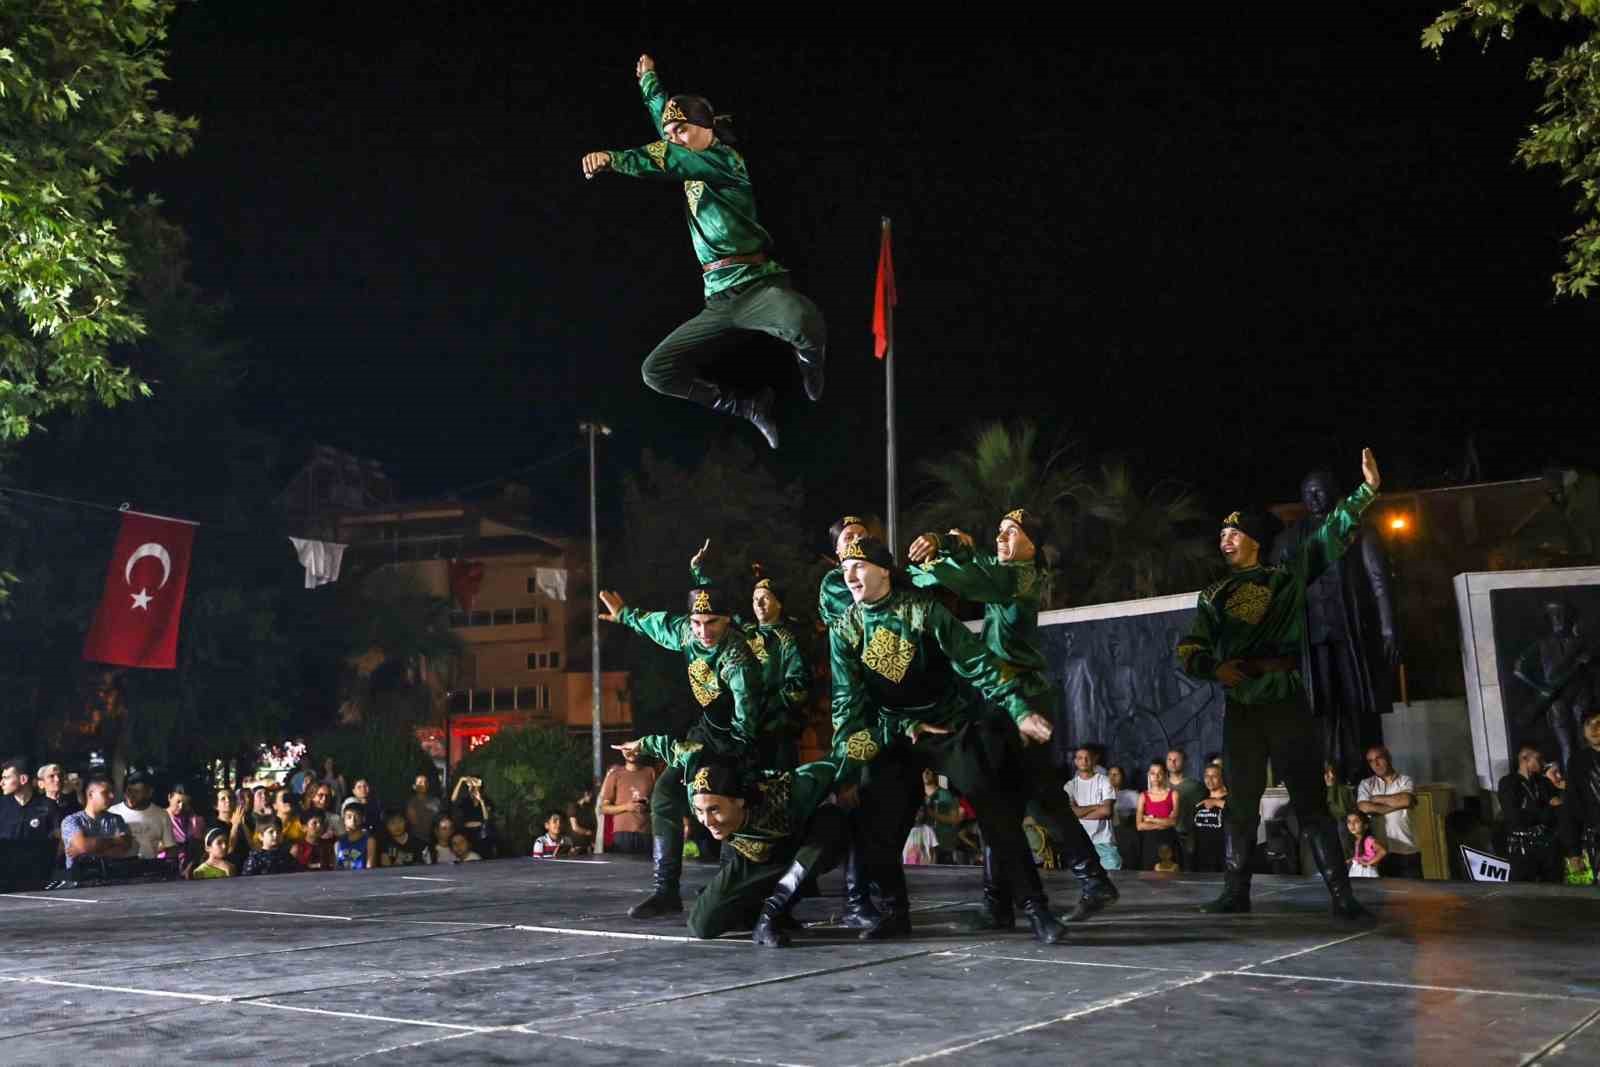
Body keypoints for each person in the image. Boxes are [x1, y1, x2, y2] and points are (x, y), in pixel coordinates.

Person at [829, 536, 1072, 943]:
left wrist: (1019, 710)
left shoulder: (924, 612)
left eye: (859, 565)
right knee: (876, 816)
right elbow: (845, 705)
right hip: (894, 733)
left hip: (947, 726)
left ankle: (1037, 909)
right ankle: (894, 913)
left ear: (884, 570)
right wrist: (847, 768)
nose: (850, 574)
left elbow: (978, 663)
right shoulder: (845, 630)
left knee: (994, 808)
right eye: (845, 568)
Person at [581, 53, 827, 449]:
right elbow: (666, 119)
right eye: (671, 132)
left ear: (706, 127)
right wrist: (649, 81)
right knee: (656, 372)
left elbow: (666, 156)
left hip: (755, 287)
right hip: (717, 299)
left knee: (803, 320)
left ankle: (810, 362)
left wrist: (613, 159)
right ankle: (746, 408)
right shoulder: (686, 144)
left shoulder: (723, 161)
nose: (675, 138)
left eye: (682, 130)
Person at [1177, 448, 1383, 920]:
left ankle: (1342, 895)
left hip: (1286, 700)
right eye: (1221, 534)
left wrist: (1365, 492)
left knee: (1311, 802)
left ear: (1253, 540)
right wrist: (1214, 668)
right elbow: (1190, 648)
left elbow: (1330, 536)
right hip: (1242, 707)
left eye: (1233, 533)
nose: (1224, 540)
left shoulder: (1285, 578)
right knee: (1241, 805)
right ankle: (1235, 892)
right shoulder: (1212, 596)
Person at [907, 507, 1119, 926]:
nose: (1001, 538)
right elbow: (964, 567)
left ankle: (1082, 883)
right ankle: (1006, 901)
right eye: (999, 531)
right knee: (1000, 798)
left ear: (1033, 545)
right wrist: (947, 548)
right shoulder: (1003, 572)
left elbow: (960, 577)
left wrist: (932, 559)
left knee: (1032, 796)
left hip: (1022, 699)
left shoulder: (1020, 577)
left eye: (1012, 532)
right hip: (1001, 700)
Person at [600, 580, 764, 919]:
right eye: (697, 623)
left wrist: (724, 767)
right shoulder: (689, 633)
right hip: (706, 731)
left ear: (728, 620)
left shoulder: (738, 662)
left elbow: (746, 726)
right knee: (663, 795)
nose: (704, 631)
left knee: (725, 804)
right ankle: (665, 891)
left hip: (737, 740)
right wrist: (627, 615)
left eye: (712, 623)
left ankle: (730, 888)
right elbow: (661, 626)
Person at [1268, 468, 1401, 784]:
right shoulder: (1289, 539)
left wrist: (1387, 628)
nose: (1313, 498)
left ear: (1333, 492)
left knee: (1357, 703)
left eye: (1319, 490)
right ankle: (1322, 771)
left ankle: (1363, 770)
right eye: (1307, 492)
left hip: (1351, 631)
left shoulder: (1359, 531)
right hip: (1311, 637)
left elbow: (1379, 581)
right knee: (1318, 705)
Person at [683, 753, 851, 947]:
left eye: (714, 810)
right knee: (702, 925)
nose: (707, 821)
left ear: (739, 801)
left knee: (831, 821)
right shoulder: (696, 795)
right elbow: (679, 752)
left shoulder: (789, 792)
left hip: (800, 848)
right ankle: (756, 913)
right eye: (700, 811)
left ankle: (770, 916)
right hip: (755, 856)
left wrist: (847, 785)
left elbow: (839, 760)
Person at [691, 541, 812, 772]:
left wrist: (766, 705)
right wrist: (699, 573)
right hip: (746, 729)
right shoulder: (746, 632)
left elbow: (799, 687)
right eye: (755, 598)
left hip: (775, 732)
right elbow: (715, 609)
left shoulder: (788, 640)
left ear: (779, 603)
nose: (758, 603)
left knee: (778, 788)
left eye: (765, 598)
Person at [1498, 742, 1563, 883]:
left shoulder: (1544, 783)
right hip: (1521, 848)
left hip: (1547, 846)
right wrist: (1545, 813)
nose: (1543, 763)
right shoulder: (1509, 782)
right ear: (1525, 758)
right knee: (1524, 891)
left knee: (1554, 888)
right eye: (1538, 759)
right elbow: (1514, 816)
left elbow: (1558, 807)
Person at [1357, 745, 1422, 879]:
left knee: (1415, 895)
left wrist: (1376, 799)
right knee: (1388, 897)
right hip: (1380, 853)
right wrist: (1396, 805)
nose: (1375, 764)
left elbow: (1407, 800)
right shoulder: (1366, 784)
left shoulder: (1405, 780)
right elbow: (1364, 807)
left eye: (1379, 758)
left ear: (1389, 758)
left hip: (1407, 850)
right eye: (1370, 761)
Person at [1, 757, 60, 892]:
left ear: (23, 779)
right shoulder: (1, 806)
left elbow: (59, 839)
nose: (1, 783)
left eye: (6, 778)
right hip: (4, 876)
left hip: (37, 876)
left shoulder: (48, 806)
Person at [1559, 706, 1600, 888]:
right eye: (1588, 724)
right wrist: (1574, 851)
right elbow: (1571, 807)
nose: (1593, 729)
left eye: (1598, 723)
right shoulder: (1578, 762)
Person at [1065, 747, 1121, 872]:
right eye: (1080, 758)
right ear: (1075, 761)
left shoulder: (1105, 781)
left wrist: (1079, 812)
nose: (1084, 761)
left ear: (1093, 760)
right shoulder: (1070, 786)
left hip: (1104, 843)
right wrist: (1096, 806)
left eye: (1087, 758)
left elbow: (1107, 811)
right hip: (1081, 844)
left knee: (1116, 880)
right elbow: (1070, 813)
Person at [109, 770, 177, 862]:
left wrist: (167, 868)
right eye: (129, 790)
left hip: (150, 871)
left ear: (149, 793)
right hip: (119, 869)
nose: (130, 796)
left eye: (136, 792)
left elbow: (171, 848)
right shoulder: (112, 812)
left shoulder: (161, 815)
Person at [599, 749, 658, 855]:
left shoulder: (650, 772)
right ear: (623, 752)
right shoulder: (615, 775)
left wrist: (648, 805)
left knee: (645, 869)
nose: (632, 753)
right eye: (628, 750)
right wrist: (627, 807)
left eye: (635, 749)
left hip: (646, 831)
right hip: (622, 833)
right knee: (624, 869)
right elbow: (603, 808)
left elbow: (658, 801)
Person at [1136, 761, 1183, 871]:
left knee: (1170, 878)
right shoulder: (1143, 796)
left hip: (1168, 840)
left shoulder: (1173, 794)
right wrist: (1163, 823)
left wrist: (1149, 819)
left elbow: (1173, 822)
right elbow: (1140, 826)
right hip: (1149, 842)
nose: (1156, 776)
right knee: (1149, 878)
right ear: (1149, 775)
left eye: (1159, 773)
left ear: (1164, 775)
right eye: (1153, 773)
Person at [1165, 749, 1204, 869]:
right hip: (1165, 837)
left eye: (1176, 759)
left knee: (1189, 872)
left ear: (1184, 762)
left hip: (1188, 837)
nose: (1173, 762)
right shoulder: (1160, 785)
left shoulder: (1195, 786)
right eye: (1170, 759)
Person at [1190, 763, 1229, 873]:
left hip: (1223, 856)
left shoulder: (1230, 798)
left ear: (1222, 778)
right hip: (1202, 856)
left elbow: (1238, 811)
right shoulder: (1200, 799)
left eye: (1214, 776)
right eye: (1207, 776)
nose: (1209, 779)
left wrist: (1216, 802)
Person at [450, 775, 492, 855]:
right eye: (472, 786)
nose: (474, 788)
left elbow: (486, 818)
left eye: (476, 785)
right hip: (467, 832)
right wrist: (461, 780)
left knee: (481, 854)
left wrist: (481, 802)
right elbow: (453, 800)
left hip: (480, 832)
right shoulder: (466, 800)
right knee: (467, 855)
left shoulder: (486, 800)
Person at [335, 801, 377, 870]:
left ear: (363, 818)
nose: (353, 820)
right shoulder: (338, 843)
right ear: (344, 820)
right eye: (349, 817)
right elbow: (335, 868)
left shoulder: (369, 841)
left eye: (357, 816)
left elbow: (370, 867)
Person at [1346, 812, 1385, 878]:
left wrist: (1368, 863)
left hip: (1367, 872)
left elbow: (1382, 851)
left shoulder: (1368, 839)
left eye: (1356, 821)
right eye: (1349, 822)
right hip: (1357, 871)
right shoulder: (1356, 840)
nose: (1352, 824)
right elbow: (1362, 855)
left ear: (1365, 825)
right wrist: (1352, 859)